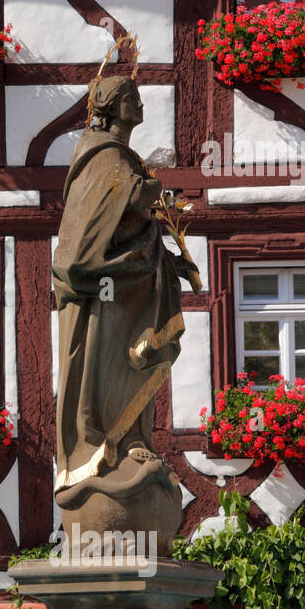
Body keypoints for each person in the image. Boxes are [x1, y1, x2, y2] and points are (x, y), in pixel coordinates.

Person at [51, 75, 197, 538]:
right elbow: (86, 245)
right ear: (111, 107)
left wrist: (157, 243)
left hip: (128, 294)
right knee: (105, 372)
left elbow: (125, 220)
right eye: (131, 98)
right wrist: (146, 196)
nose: (141, 104)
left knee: (132, 371)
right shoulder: (104, 158)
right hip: (104, 299)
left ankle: (131, 443)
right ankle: (101, 454)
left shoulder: (120, 160)